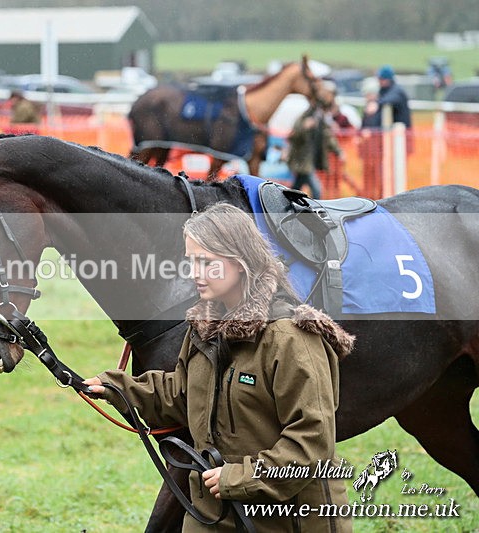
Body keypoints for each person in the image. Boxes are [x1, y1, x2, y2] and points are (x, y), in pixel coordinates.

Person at [84, 203, 354, 532]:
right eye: (191, 262)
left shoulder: (291, 337)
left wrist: (237, 478)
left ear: (241, 262)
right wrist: (118, 388)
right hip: (213, 515)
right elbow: (182, 393)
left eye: (207, 263)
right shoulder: (203, 329)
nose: (195, 273)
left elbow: (312, 442)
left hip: (288, 520)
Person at [286, 106, 344, 199]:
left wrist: (339, 152)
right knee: (316, 189)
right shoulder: (302, 120)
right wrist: (304, 127)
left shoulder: (321, 123)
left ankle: (288, 201)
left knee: (296, 187)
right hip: (303, 161)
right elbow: (294, 137)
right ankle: (315, 208)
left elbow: (328, 138)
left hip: (310, 162)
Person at [358, 77, 383, 197]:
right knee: (368, 179)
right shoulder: (368, 108)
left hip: (376, 152)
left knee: (378, 178)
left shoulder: (380, 109)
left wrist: (370, 133)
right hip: (367, 151)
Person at [376, 65, 411, 130]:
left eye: (381, 79)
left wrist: (376, 103)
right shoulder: (383, 90)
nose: (379, 81)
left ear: (387, 79)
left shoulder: (397, 91)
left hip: (401, 131)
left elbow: (389, 99)